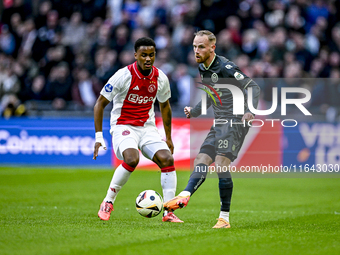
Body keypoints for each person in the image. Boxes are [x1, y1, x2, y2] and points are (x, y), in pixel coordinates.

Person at [163, 30, 261, 228]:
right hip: (220, 121)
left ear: (212, 48)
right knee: (201, 159)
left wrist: (249, 111)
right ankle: (185, 195)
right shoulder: (203, 67)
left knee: (220, 163)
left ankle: (224, 218)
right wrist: (196, 111)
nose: (196, 50)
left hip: (235, 121)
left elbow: (253, 87)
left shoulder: (225, 67)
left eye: (201, 47)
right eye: (194, 46)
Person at [93, 37, 183, 223]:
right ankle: (108, 202)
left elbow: (165, 107)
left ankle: (168, 211)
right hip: (123, 126)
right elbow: (100, 104)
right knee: (132, 159)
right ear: (136, 55)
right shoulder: (123, 75)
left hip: (147, 128)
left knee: (167, 159)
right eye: (144, 55)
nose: (148, 59)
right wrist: (98, 136)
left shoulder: (160, 78)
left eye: (151, 55)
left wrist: (169, 138)